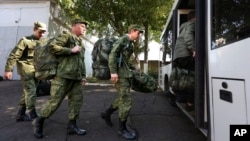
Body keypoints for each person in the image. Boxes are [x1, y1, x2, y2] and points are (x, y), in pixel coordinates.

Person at [32, 19, 88, 139]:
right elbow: (52, 47)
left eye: (85, 27)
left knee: (76, 102)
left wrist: (83, 76)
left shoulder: (81, 42)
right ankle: (38, 121)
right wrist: (70, 50)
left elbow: (81, 61)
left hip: (76, 78)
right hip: (63, 76)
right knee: (55, 101)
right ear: (74, 26)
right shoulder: (67, 36)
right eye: (82, 26)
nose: (84, 29)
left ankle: (72, 126)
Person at [101, 24, 143, 140]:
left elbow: (124, 61)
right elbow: (113, 54)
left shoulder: (129, 43)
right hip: (120, 75)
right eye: (138, 33)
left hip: (125, 74)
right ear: (132, 31)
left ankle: (107, 113)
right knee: (126, 100)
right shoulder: (123, 40)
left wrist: (134, 69)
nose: (139, 35)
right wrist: (113, 72)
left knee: (122, 98)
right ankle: (122, 129)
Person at [4, 21, 47, 122]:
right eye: (40, 32)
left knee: (27, 92)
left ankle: (20, 114)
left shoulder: (43, 42)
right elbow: (14, 55)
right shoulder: (25, 40)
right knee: (31, 91)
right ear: (34, 29)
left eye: (44, 32)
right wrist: (8, 70)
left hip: (37, 71)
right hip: (26, 70)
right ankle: (33, 114)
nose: (42, 34)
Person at [173, 10, 196, 110]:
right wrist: (194, 49)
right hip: (185, 55)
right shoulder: (192, 23)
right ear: (195, 17)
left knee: (183, 77)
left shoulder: (184, 26)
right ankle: (190, 103)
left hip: (178, 56)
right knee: (194, 77)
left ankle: (180, 97)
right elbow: (188, 36)